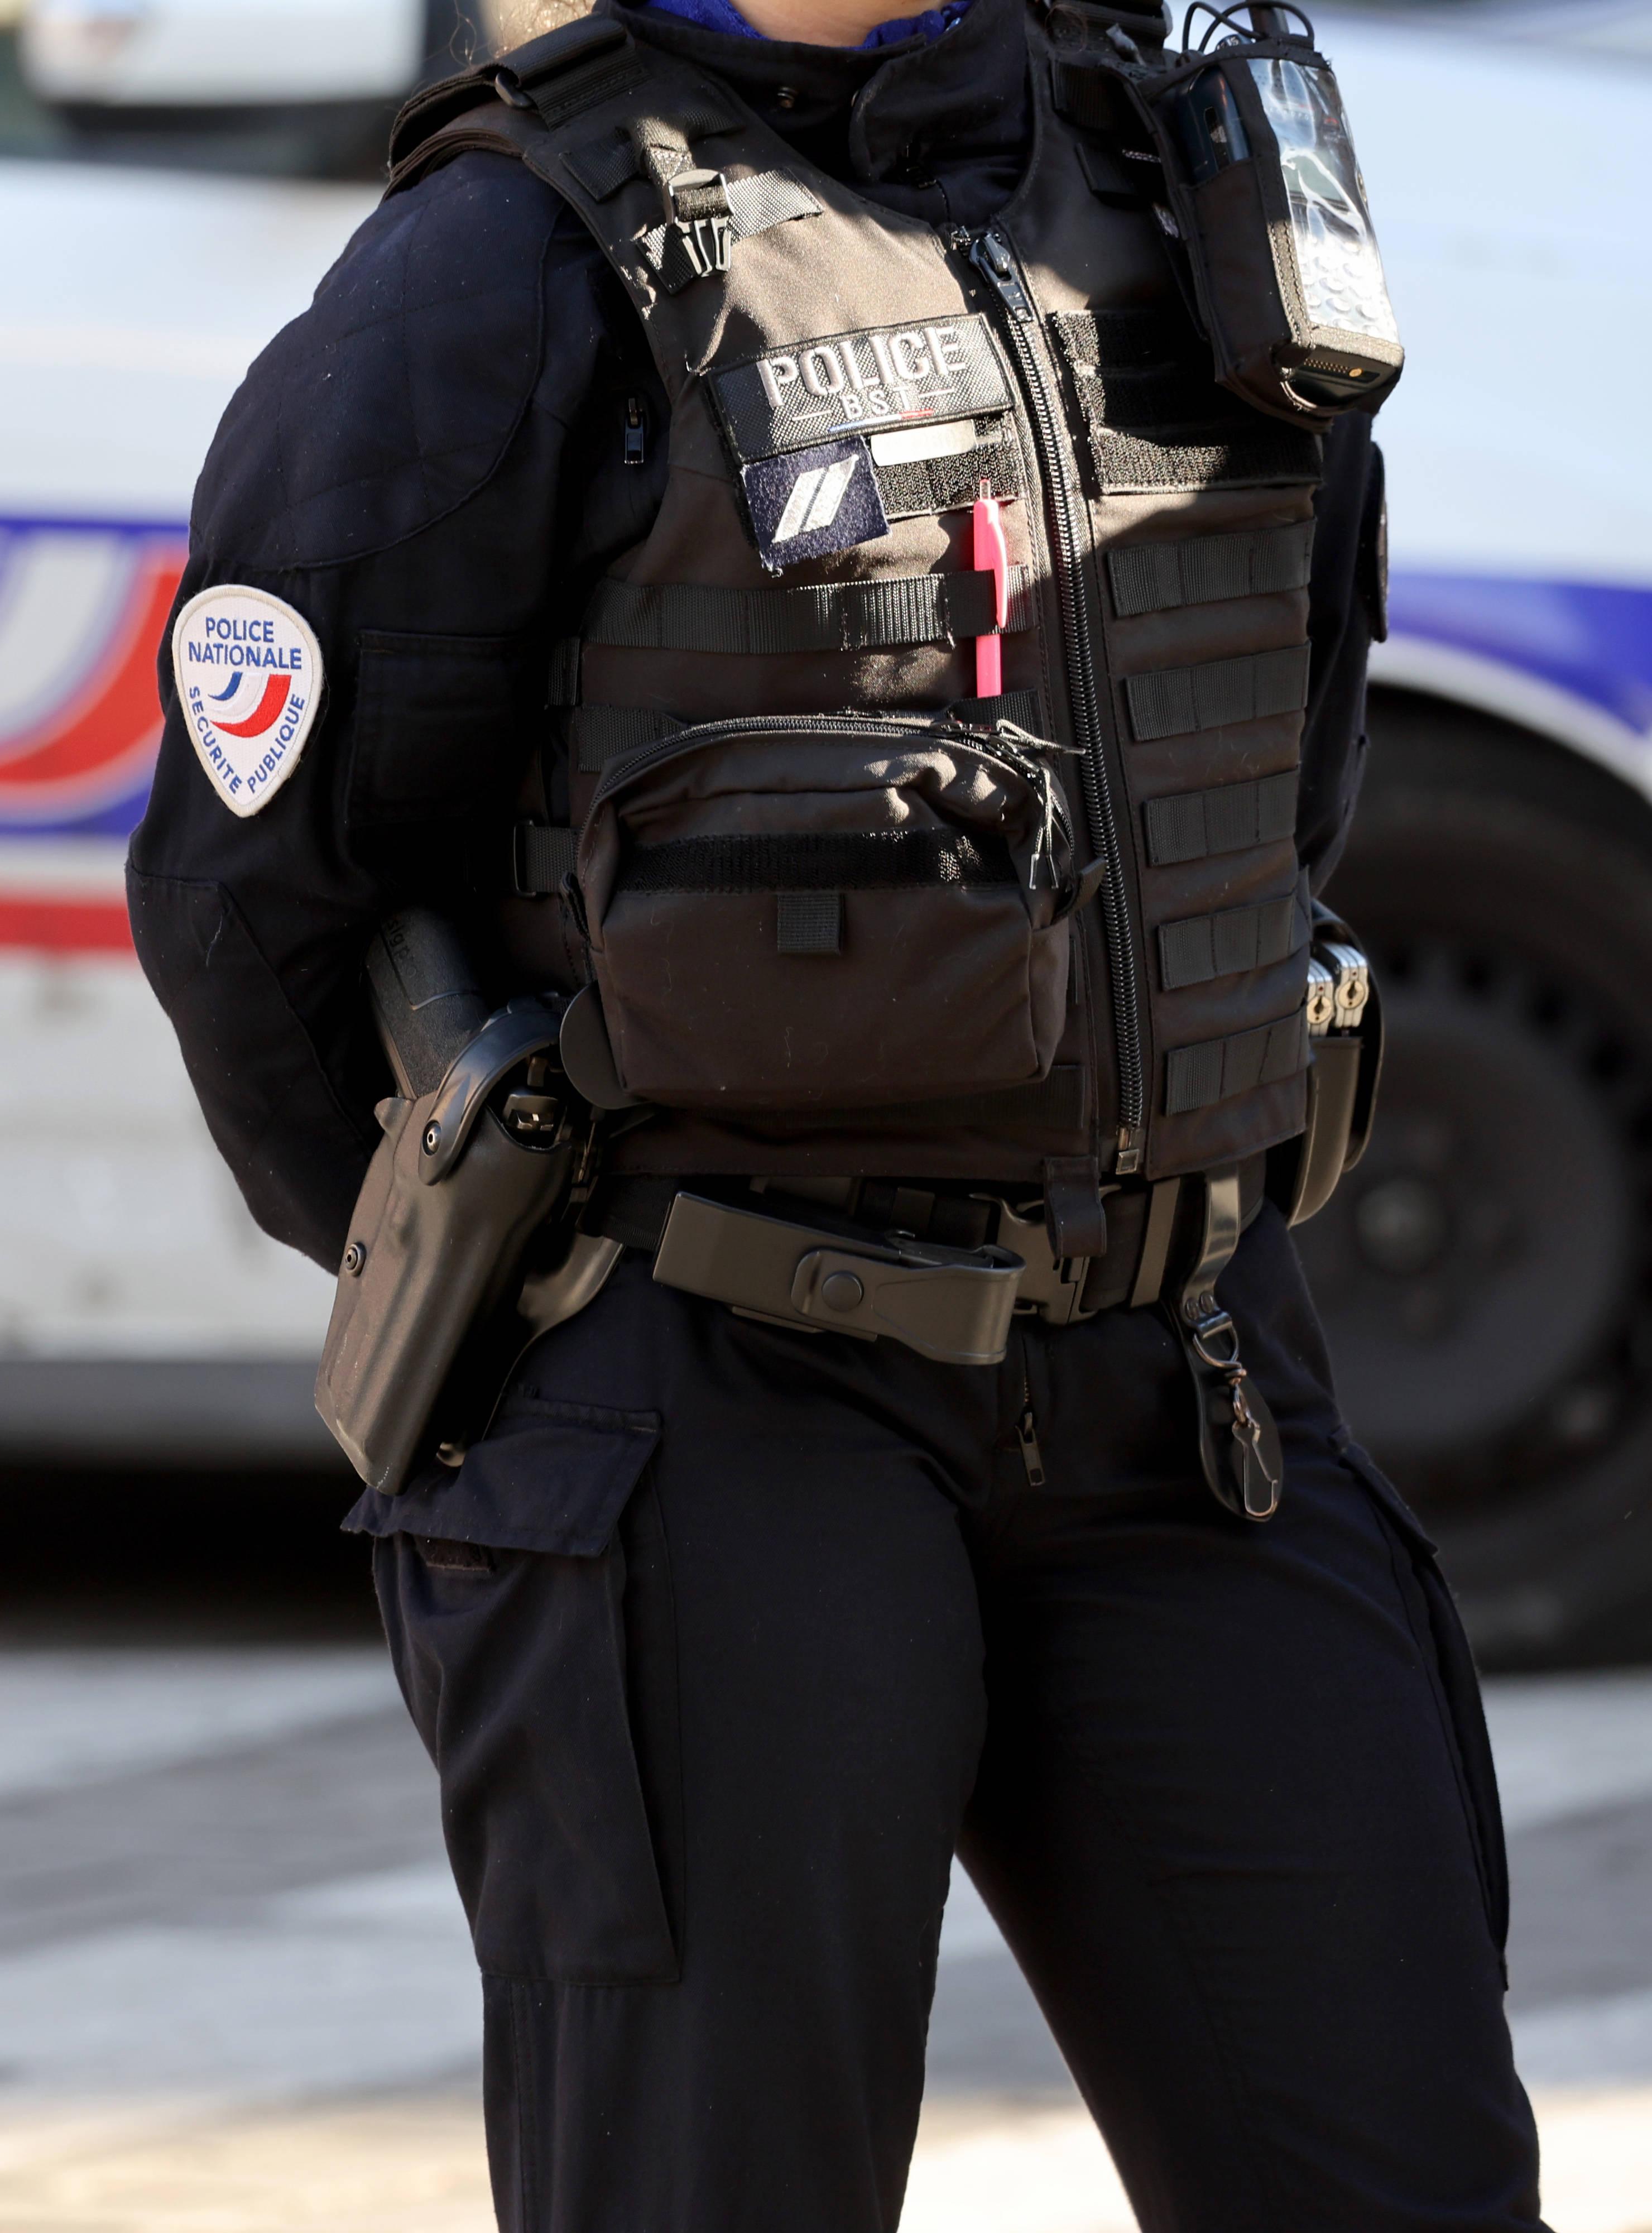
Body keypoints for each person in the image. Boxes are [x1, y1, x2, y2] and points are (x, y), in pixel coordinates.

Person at [126, 0, 1546, 2226]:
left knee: (1397, 2171)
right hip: (713, 1407)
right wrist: (548, 1315)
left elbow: (1284, 761)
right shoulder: (505, 263)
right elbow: (260, 900)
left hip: (1180, 1390)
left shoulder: (1199, 185)